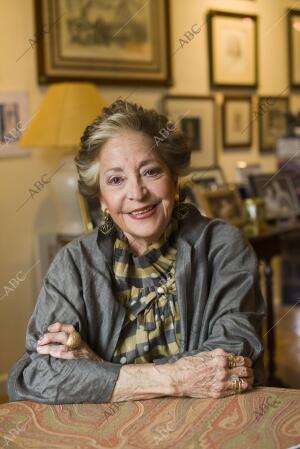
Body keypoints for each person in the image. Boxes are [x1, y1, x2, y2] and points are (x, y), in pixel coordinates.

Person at [7, 100, 265, 404]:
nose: (137, 193)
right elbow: (36, 374)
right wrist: (178, 378)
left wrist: (99, 371)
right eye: (116, 180)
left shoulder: (222, 246)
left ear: (174, 180)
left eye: (151, 171)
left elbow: (229, 361)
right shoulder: (75, 263)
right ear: (102, 199)